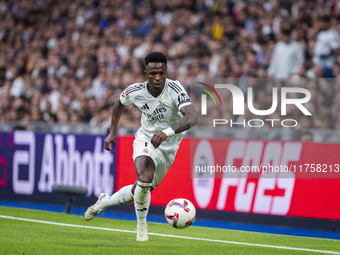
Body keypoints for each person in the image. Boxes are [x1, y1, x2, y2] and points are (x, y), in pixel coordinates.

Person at [84, 52, 198, 241]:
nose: (158, 77)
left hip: (169, 147)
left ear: (166, 71)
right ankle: (141, 228)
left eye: (161, 73)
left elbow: (192, 117)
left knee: (140, 189)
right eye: (153, 73)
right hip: (146, 139)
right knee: (144, 177)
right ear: (146, 72)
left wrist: (167, 133)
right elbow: (118, 102)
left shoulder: (175, 89)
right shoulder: (135, 91)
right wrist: (113, 131)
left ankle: (104, 203)